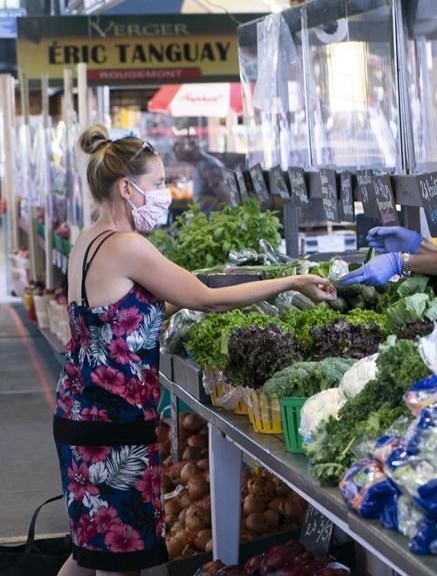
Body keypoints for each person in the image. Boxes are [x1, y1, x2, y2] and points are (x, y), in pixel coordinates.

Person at [54, 125, 335, 576]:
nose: (167, 193)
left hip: (81, 412)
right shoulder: (129, 246)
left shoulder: (88, 241)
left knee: (89, 551)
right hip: (113, 425)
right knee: (117, 561)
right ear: (127, 189)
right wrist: (292, 280)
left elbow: (122, 314)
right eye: (159, 184)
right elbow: (205, 298)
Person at [173, 139, 229, 213]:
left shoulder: (208, 166)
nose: (176, 155)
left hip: (214, 218)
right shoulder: (200, 165)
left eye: (179, 151)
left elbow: (224, 194)